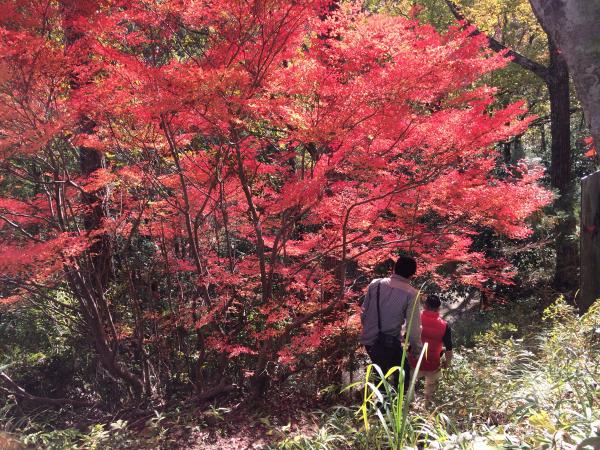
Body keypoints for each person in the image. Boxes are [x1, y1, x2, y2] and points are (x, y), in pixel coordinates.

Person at [360, 255, 422, 392]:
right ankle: (392, 408)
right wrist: (417, 349)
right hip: (389, 342)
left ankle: (379, 405)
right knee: (402, 374)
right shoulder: (412, 294)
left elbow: (363, 313)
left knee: (380, 374)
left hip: (369, 340)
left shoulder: (375, 284)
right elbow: (413, 328)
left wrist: (370, 330)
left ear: (394, 268)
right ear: (412, 274)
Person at [409, 294, 453, 403]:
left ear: (425, 306)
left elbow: (407, 338)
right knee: (431, 389)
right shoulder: (444, 325)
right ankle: (428, 407)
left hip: (415, 360)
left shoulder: (416, 319)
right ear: (438, 308)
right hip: (433, 363)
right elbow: (449, 349)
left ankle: (410, 407)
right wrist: (447, 363)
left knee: (409, 385)